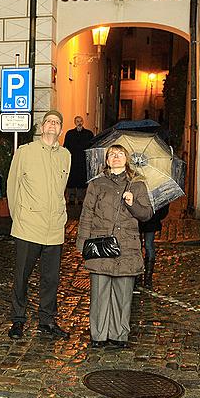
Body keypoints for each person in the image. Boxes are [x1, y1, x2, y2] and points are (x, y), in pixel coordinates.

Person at [77, 145, 153, 348]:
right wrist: (82, 244)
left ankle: (119, 335)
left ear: (127, 159)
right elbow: (86, 215)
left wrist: (132, 203)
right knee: (99, 294)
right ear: (107, 161)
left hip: (127, 247)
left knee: (123, 295)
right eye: (112, 155)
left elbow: (146, 214)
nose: (116, 157)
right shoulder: (96, 184)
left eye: (120, 154)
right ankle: (99, 335)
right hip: (100, 244)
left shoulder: (137, 184)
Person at [7, 110, 72, 340]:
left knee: (51, 279)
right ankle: (18, 319)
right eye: (49, 122)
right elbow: (12, 186)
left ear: (61, 129)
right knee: (22, 276)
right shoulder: (25, 152)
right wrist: (19, 218)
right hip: (28, 226)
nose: (52, 125)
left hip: (54, 228)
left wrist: (61, 216)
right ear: (42, 127)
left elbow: (61, 188)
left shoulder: (66, 156)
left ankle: (47, 320)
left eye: (57, 122)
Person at [63, 116, 94, 205]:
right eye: (77, 121)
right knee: (71, 180)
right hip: (72, 161)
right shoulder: (70, 133)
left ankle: (81, 198)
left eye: (80, 121)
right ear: (75, 122)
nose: (79, 123)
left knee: (82, 181)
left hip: (83, 162)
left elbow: (91, 147)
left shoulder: (88, 134)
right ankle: (71, 198)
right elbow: (65, 147)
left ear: (83, 122)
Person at [138, 202, 169, 289]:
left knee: (145, 246)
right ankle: (145, 278)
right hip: (149, 219)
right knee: (146, 246)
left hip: (148, 220)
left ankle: (143, 276)